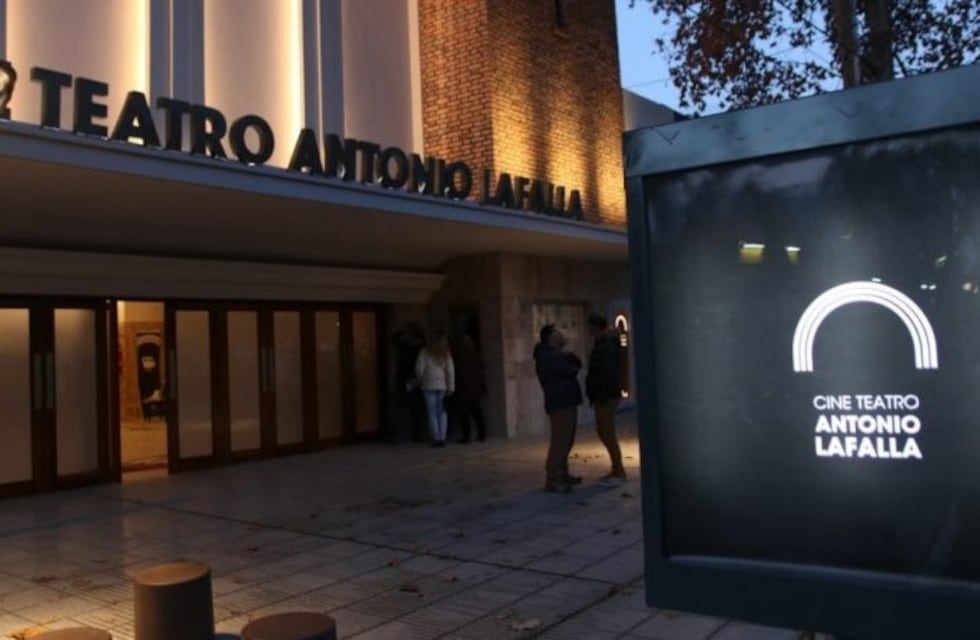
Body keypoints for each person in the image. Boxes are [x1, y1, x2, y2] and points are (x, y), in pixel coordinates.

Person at [534, 323, 583, 493]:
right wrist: (569, 359)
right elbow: (568, 371)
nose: (562, 334)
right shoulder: (547, 356)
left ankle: (563, 473)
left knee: (567, 440)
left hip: (567, 400)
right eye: (558, 332)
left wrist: (568, 355)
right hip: (560, 402)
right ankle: (553, 478)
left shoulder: (556, 354)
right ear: (551, 337)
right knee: (560, 441)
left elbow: (577, 364)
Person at [586, 313, 626, 485]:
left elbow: (606, 371)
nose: (588, 330)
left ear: (596, 327)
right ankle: (616, 468)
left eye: (590, 327)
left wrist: (601, 393)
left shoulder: (606, 344)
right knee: (603, 431)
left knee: (607, 432)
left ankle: (619, 471)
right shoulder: (603, 342)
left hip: (606, 395)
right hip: (604, 394)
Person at [415, 331, 455, 447]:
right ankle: (442, 437)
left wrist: (420, 378)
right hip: (442, 385)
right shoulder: (445, 354)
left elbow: (419, 369)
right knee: (442, 412)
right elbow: (450, 371)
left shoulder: (425, 352)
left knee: (432, 413)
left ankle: (436, 438)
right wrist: (451, 387)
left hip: (428, 385)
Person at [452, 333, 488, 442]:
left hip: (464, 389)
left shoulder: (457, 356)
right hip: (475, 389)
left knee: (465, 414)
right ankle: (481, 434)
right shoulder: (476, 354)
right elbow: (482, 369)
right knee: (477, 412)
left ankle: (466, 436)